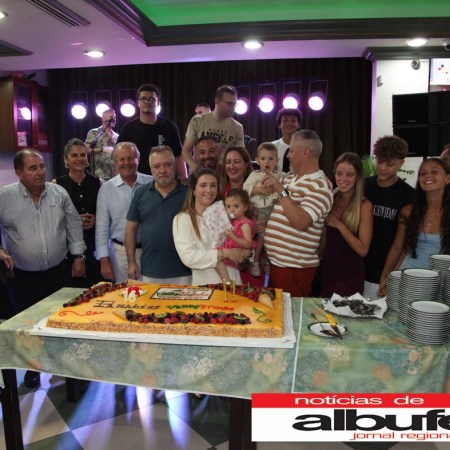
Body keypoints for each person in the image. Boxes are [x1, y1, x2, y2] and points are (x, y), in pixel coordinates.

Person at [0, 149, 86, 388]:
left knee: (62, 323)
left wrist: (79, 256)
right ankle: (32, 369)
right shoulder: (5, 197)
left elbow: (73, 226)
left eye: (41, 167)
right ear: (18, 173)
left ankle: (66, 370)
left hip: (59, 272)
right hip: (23, 277)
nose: (40, 172)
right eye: (32, 168)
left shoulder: (59, 193)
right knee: (28, 328)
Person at [263, 130, 333, 297]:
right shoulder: (289, 179)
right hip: (276, 265)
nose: (288, 156)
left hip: (295, 269)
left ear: (305, 153)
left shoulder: (321, 185)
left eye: (292, 151)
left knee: (291, 311)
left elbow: (301, 222)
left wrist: (280, 190)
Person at [379, 158, 450, 295]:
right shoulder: (408, 211)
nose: (428, 176)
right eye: (423, 173)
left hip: (441, 282)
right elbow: (398, 247)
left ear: (448, 178)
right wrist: (387, 276)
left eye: (434, 172)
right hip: (407, 277)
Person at [125, 146, 191, 284]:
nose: (162, 170)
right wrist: (131, 262)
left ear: (175, 166)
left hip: (185, 271)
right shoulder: (140, 193)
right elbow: (130, 230)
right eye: (157, 166)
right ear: (151, 169)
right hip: (150, 271)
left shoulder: (189, 194)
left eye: (167, 165)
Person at [173, 169, 249, 285]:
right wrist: (224, 253)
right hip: (206, 288)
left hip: (235, 284)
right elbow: (189, 257)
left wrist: (242, 254)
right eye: (203, 185)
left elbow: (240, 244)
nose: (209, 190)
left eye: (213, 185)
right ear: (193, 190)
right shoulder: (183, 219)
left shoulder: (226, 213)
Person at [363, 135, 415, 298]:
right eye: (379, 162)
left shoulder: (409, 195)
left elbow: (402, 244)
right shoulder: (364, 186)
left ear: (401, 163)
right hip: (358, 266)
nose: (383, 168)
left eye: (390, 164)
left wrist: (390, 274)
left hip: (385, 269)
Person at [95, 142, 152, 283]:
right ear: (115, 163)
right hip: (120, 255)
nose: (126, 163)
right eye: (121, 159)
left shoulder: (152, 183)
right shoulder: (106, 189)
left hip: (151, 252)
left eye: (130, 158)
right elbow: (101, 228)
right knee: (126, 295)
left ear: (138, 159)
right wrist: (104, 260)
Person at [320, 152, 373, 297]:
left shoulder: (364, 205)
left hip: (350, 274)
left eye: (349, 175)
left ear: (358, 177)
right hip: (327, 271)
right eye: (339, 174)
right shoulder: (331, 198)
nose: (343, 179)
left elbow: (363, 250)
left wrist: (339, 225)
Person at [52, 138, 102, 288]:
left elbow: (107, 215)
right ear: (65, 159)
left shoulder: (98, 183)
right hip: (67, 250)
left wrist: (96, 219)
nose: (79, 159)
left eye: (82, 155)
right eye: (74, 155)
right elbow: (52, 219)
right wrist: (73, 221)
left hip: (93, 247)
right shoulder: (56, 185)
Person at [117, 83, 186, 177]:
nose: (147, 102)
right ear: (138, 103)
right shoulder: (128, 128)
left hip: (164, 178)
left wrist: (184, 178)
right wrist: (118, 181)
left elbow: (178, 156)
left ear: (158, 102)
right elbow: (119, 156)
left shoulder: (169, 127)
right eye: (143, 99)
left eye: (151, 99)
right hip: (137, 180)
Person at [182, 85, 244, 173]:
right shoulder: (198, 121)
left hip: (224, 175)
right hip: (201, 173)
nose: (233, 108)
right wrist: (193, 166)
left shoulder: (237, 127)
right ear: (217, 101)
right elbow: (186, 150)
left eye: (235, 104)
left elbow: (240, 155)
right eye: (229, 104)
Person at [243, 142, 283, 277]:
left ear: (277, 160)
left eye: (271, 159)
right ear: (257, 160)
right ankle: (255, 260)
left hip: (273, 210)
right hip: (258, 210)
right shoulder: (254, 175)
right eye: (263, 158)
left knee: (273, 236)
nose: (267, 162)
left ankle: (266, 259)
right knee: (262, 236)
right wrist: (257, 189)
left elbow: (284, 189)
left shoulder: (279, 176)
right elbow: (245, 189)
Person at [216, 189, 256, 281]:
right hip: (232, 249)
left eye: (236, 206)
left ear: (245, 207)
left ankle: (227, 282)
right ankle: (226, 280)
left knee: (217, 258)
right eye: (228, 206)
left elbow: (248, 244)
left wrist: (232, 237)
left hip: (241, 250)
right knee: (216, 256)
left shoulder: (245, 224)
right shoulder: (233, 221)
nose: (232, 210)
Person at [85, 108, 118, 180]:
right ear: (103, 119)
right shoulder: (94, 133)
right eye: (111, 117)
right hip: (99, 176)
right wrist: (102, 149)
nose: (114, 119)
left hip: (114, 176)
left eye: (115, 117)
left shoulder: (117, 136)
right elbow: (86, 150)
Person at [271, 108, 303, 172]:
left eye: (293, 121)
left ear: (298, 125)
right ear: (279, 125)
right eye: (285, 120)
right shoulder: (272, 146)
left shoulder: (305, 147)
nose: (289, 123)